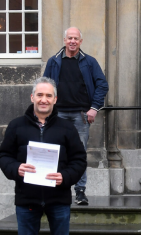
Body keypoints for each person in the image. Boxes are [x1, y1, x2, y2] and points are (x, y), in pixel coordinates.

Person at [0, 77, 88, 235]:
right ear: (32, 98)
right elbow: (3, 156)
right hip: (27, 200)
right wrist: (15, 168)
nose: (44, 100)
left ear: (55, 99)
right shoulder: (17, 126)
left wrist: (65, 177)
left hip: (58, 199)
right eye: (40, 95)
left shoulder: (66, 128)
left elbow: (80, 160)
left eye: (48, 96)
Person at [42, 27, 109, 206]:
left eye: (76, 39)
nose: (72, 41)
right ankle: (56, 189)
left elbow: (102, 85)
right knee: (55, 153)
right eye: (69, 38)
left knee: (79, 154)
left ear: (81, 41)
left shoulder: (90, 62)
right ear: (64, 40)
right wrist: (46, 111)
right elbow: (44, 87)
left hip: (81, 115)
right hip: (58, 115)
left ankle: (80, 192)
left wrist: (94, 108)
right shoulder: (54, 62)